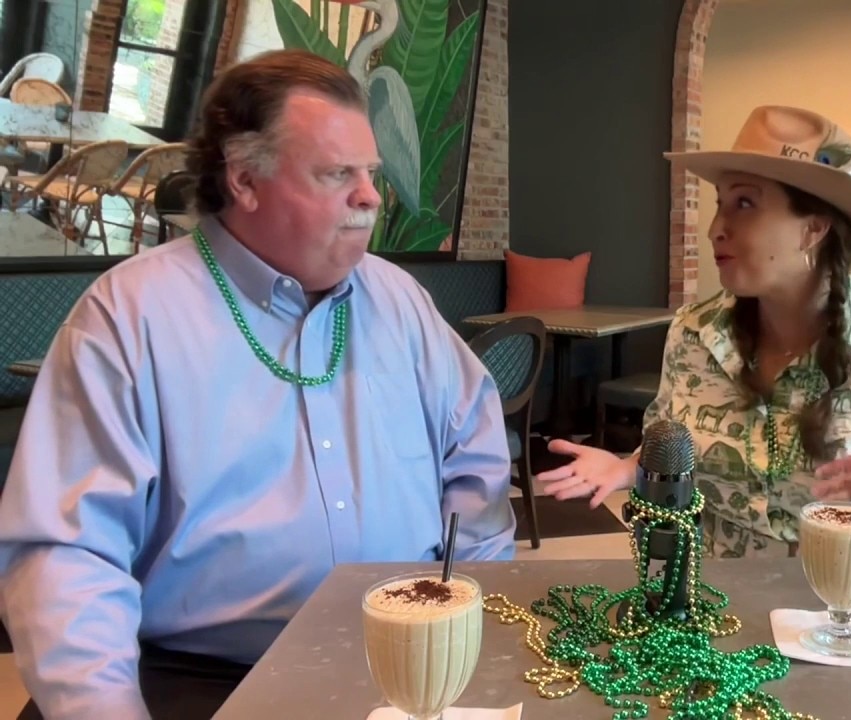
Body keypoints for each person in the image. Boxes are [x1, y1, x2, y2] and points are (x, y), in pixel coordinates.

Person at [0, 49, 516, 720]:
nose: (370, 196)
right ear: (245, 179)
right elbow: (67, 558)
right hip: (204, 679)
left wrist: (471, 626)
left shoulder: (400, 300)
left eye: (370, 173)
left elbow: (474, 459)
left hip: (408, 661)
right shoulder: (129, 316)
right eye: (338, 173)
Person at [538, 105, 851, 567]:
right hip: (723, 603)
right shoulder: (694, 334)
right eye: (720, 203)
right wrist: (628, 467)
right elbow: (674, 446)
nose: (715, 229)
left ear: (813, 229)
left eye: (744, 204)